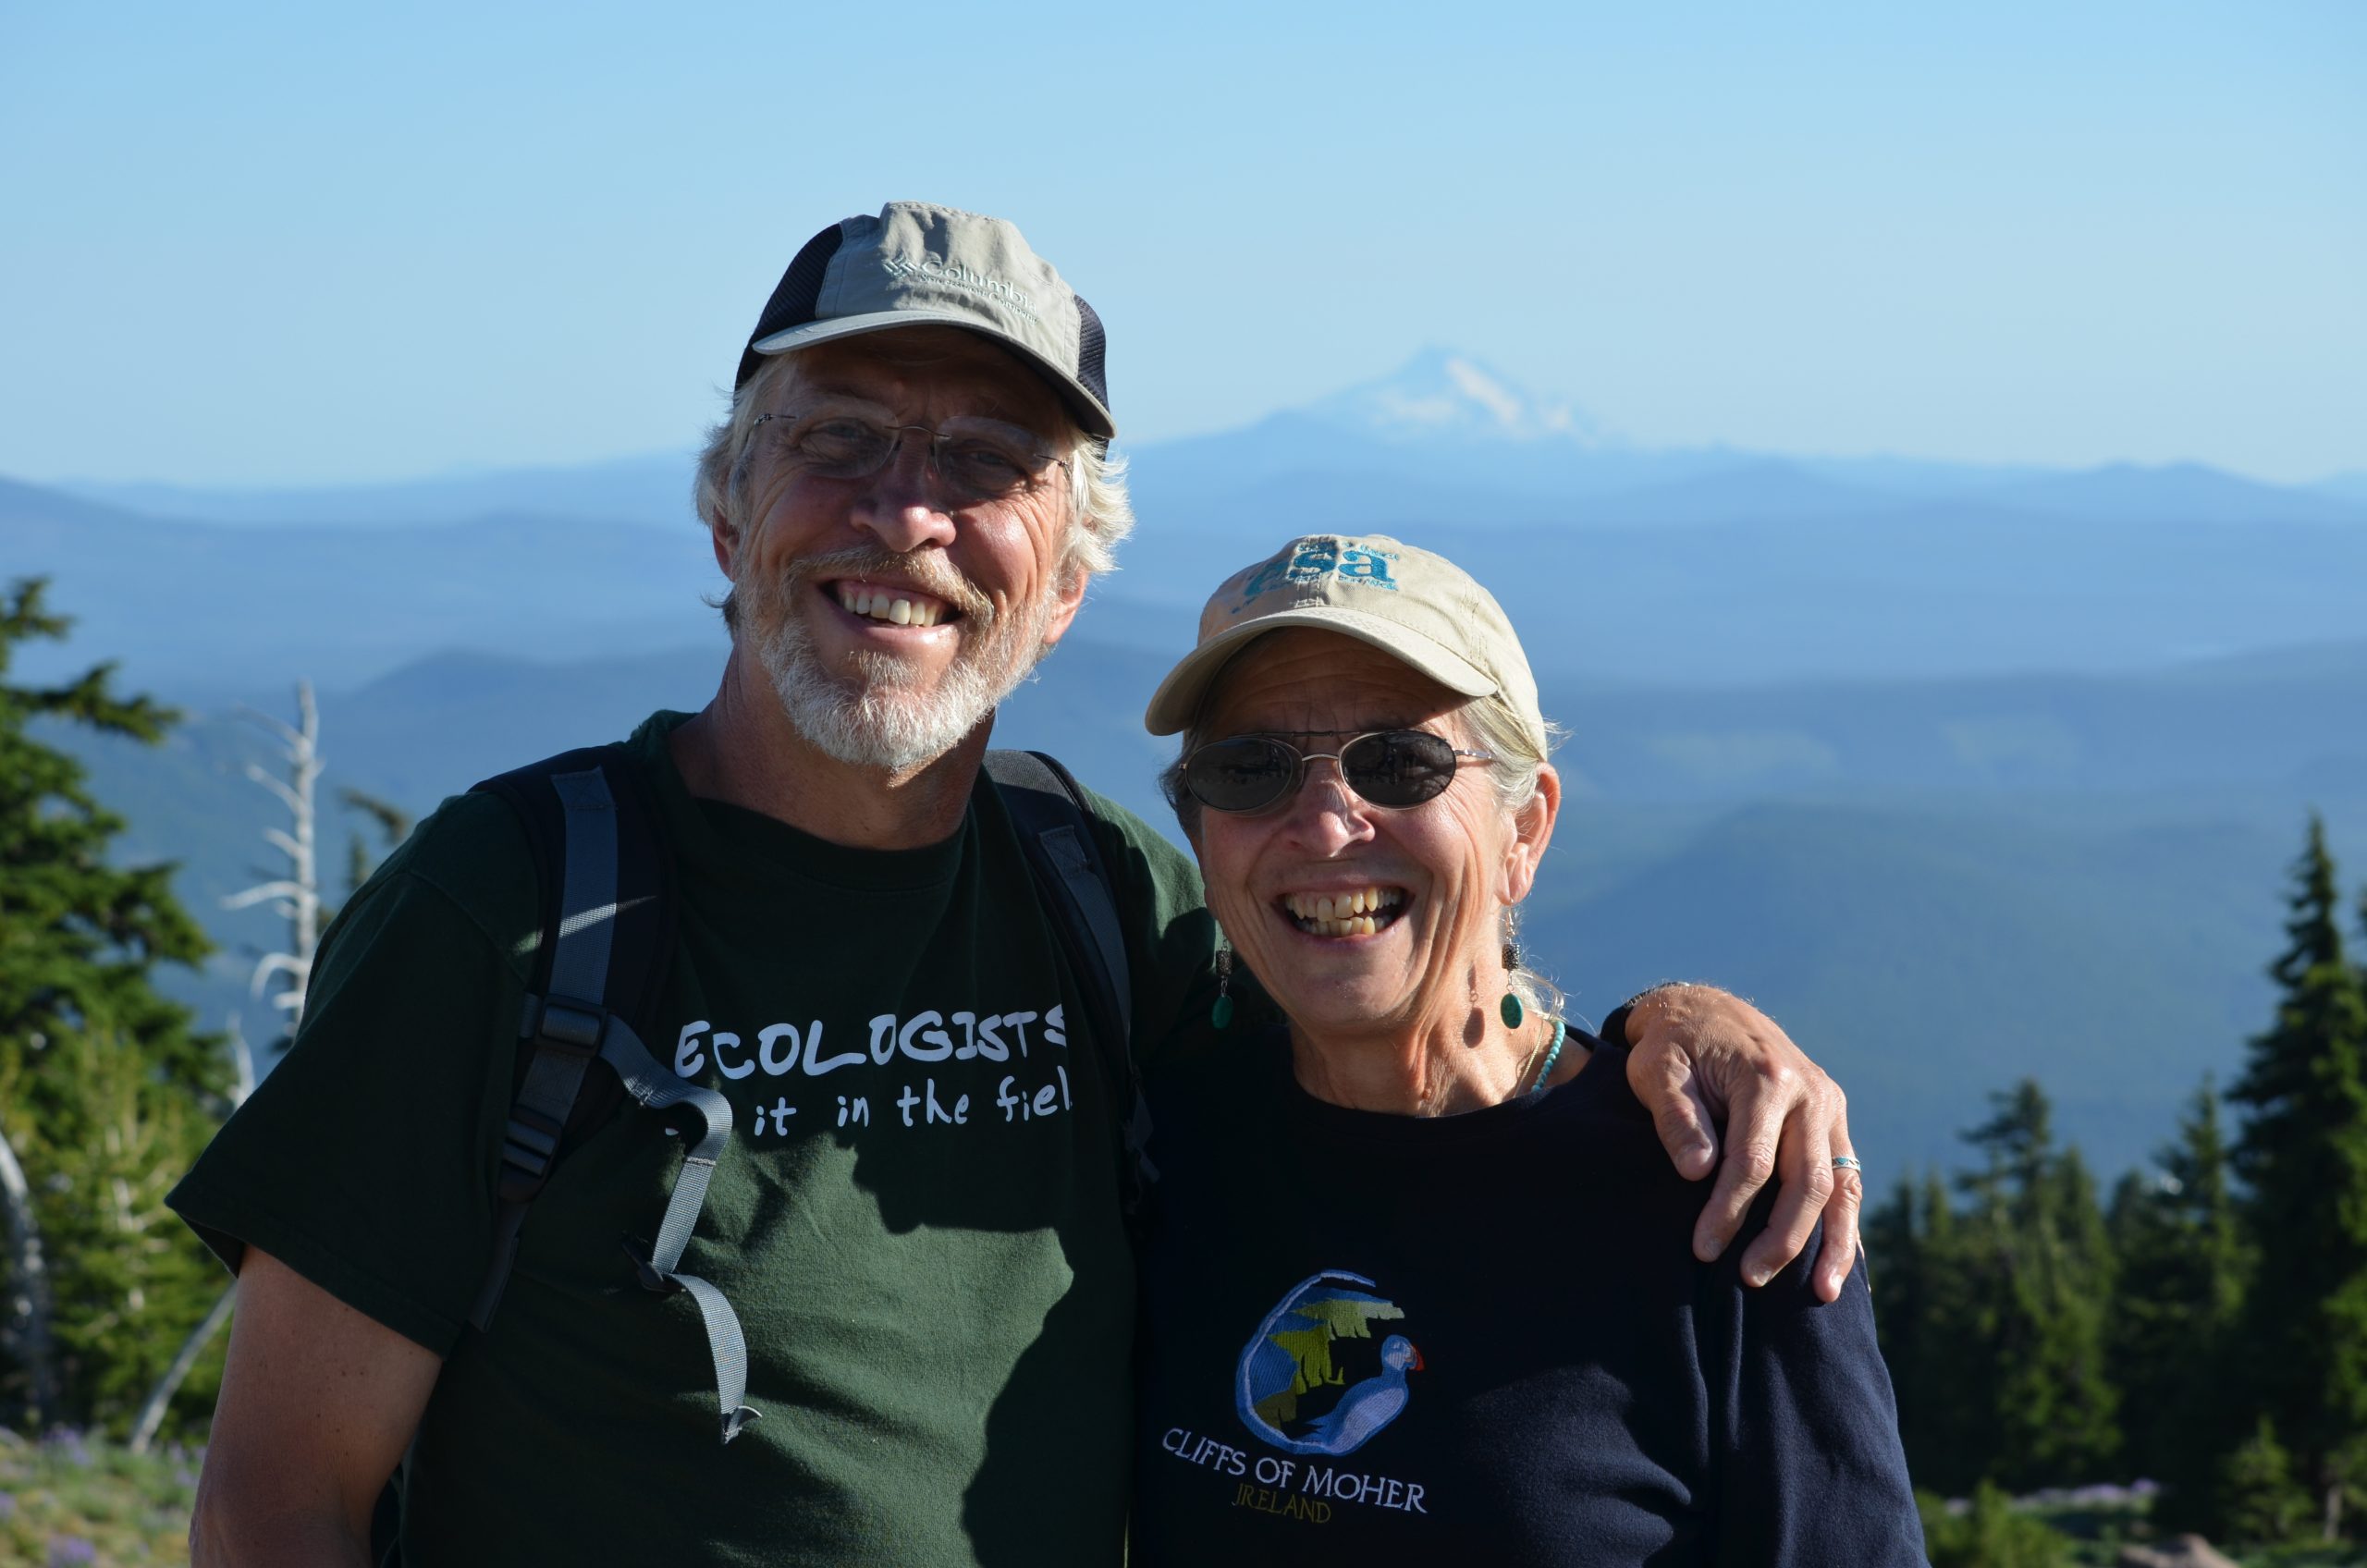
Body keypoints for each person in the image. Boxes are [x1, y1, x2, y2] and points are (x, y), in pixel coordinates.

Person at [169, 202, 1862, 1567]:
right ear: (725, 511)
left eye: (988, 461)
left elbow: (1377, 1002)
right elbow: (273, 1507)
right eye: (837, 438)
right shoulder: (522, 906)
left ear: (1061, 586)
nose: (905, 511)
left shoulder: (1097, 892)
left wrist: (1673, 1028)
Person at [1129, 532, 1916, 1564]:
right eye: (1248, 768)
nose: (1323, 824)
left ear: (1524, 829)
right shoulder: (1160, 1134)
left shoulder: (1720, 1199)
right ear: (1198, 832)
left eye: (1398, 763)